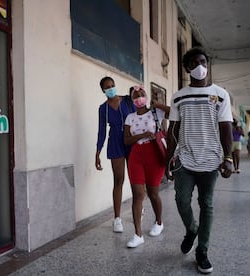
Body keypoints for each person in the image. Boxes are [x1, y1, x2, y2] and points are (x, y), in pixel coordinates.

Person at [165, 47, 233, 274]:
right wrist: (168, 160)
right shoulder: (178, 96)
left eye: (202, 62)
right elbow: (172, 130)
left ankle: (202, 251)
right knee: (181, 200)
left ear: (207, 64)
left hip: (211, 160)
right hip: (184, 158)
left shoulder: (221, 94)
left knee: (207, 204)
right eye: (193, 63)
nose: (199, 67)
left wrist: (228, 157)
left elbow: (226, 129)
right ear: (187, 68)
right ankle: (191, 229)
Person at [124, 85, 170, 248]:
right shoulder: (130, 117)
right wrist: (142, 135)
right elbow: (126, 140)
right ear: (132, 99)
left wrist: (157, 105)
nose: (139, 98)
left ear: (146, 95)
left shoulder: (156, 113)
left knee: (153, 193)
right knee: (137, 194)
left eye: (141, 94)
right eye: (135, 95)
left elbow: (173, 113)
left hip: (154, 154)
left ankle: (159, 222)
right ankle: (138, 234)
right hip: (136, 155)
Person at [95, 76, 136, 233]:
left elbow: (138, 118)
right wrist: (97, 152)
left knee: (136, 178)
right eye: (107, 87)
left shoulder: (127, 101)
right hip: (115, 143)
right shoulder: (103, 108)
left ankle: (137, 208)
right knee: (118, 180)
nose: (111, 88)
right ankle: (117, 219)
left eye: (113, 85)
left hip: (131, 140)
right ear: (103, 90)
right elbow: (101, 132)